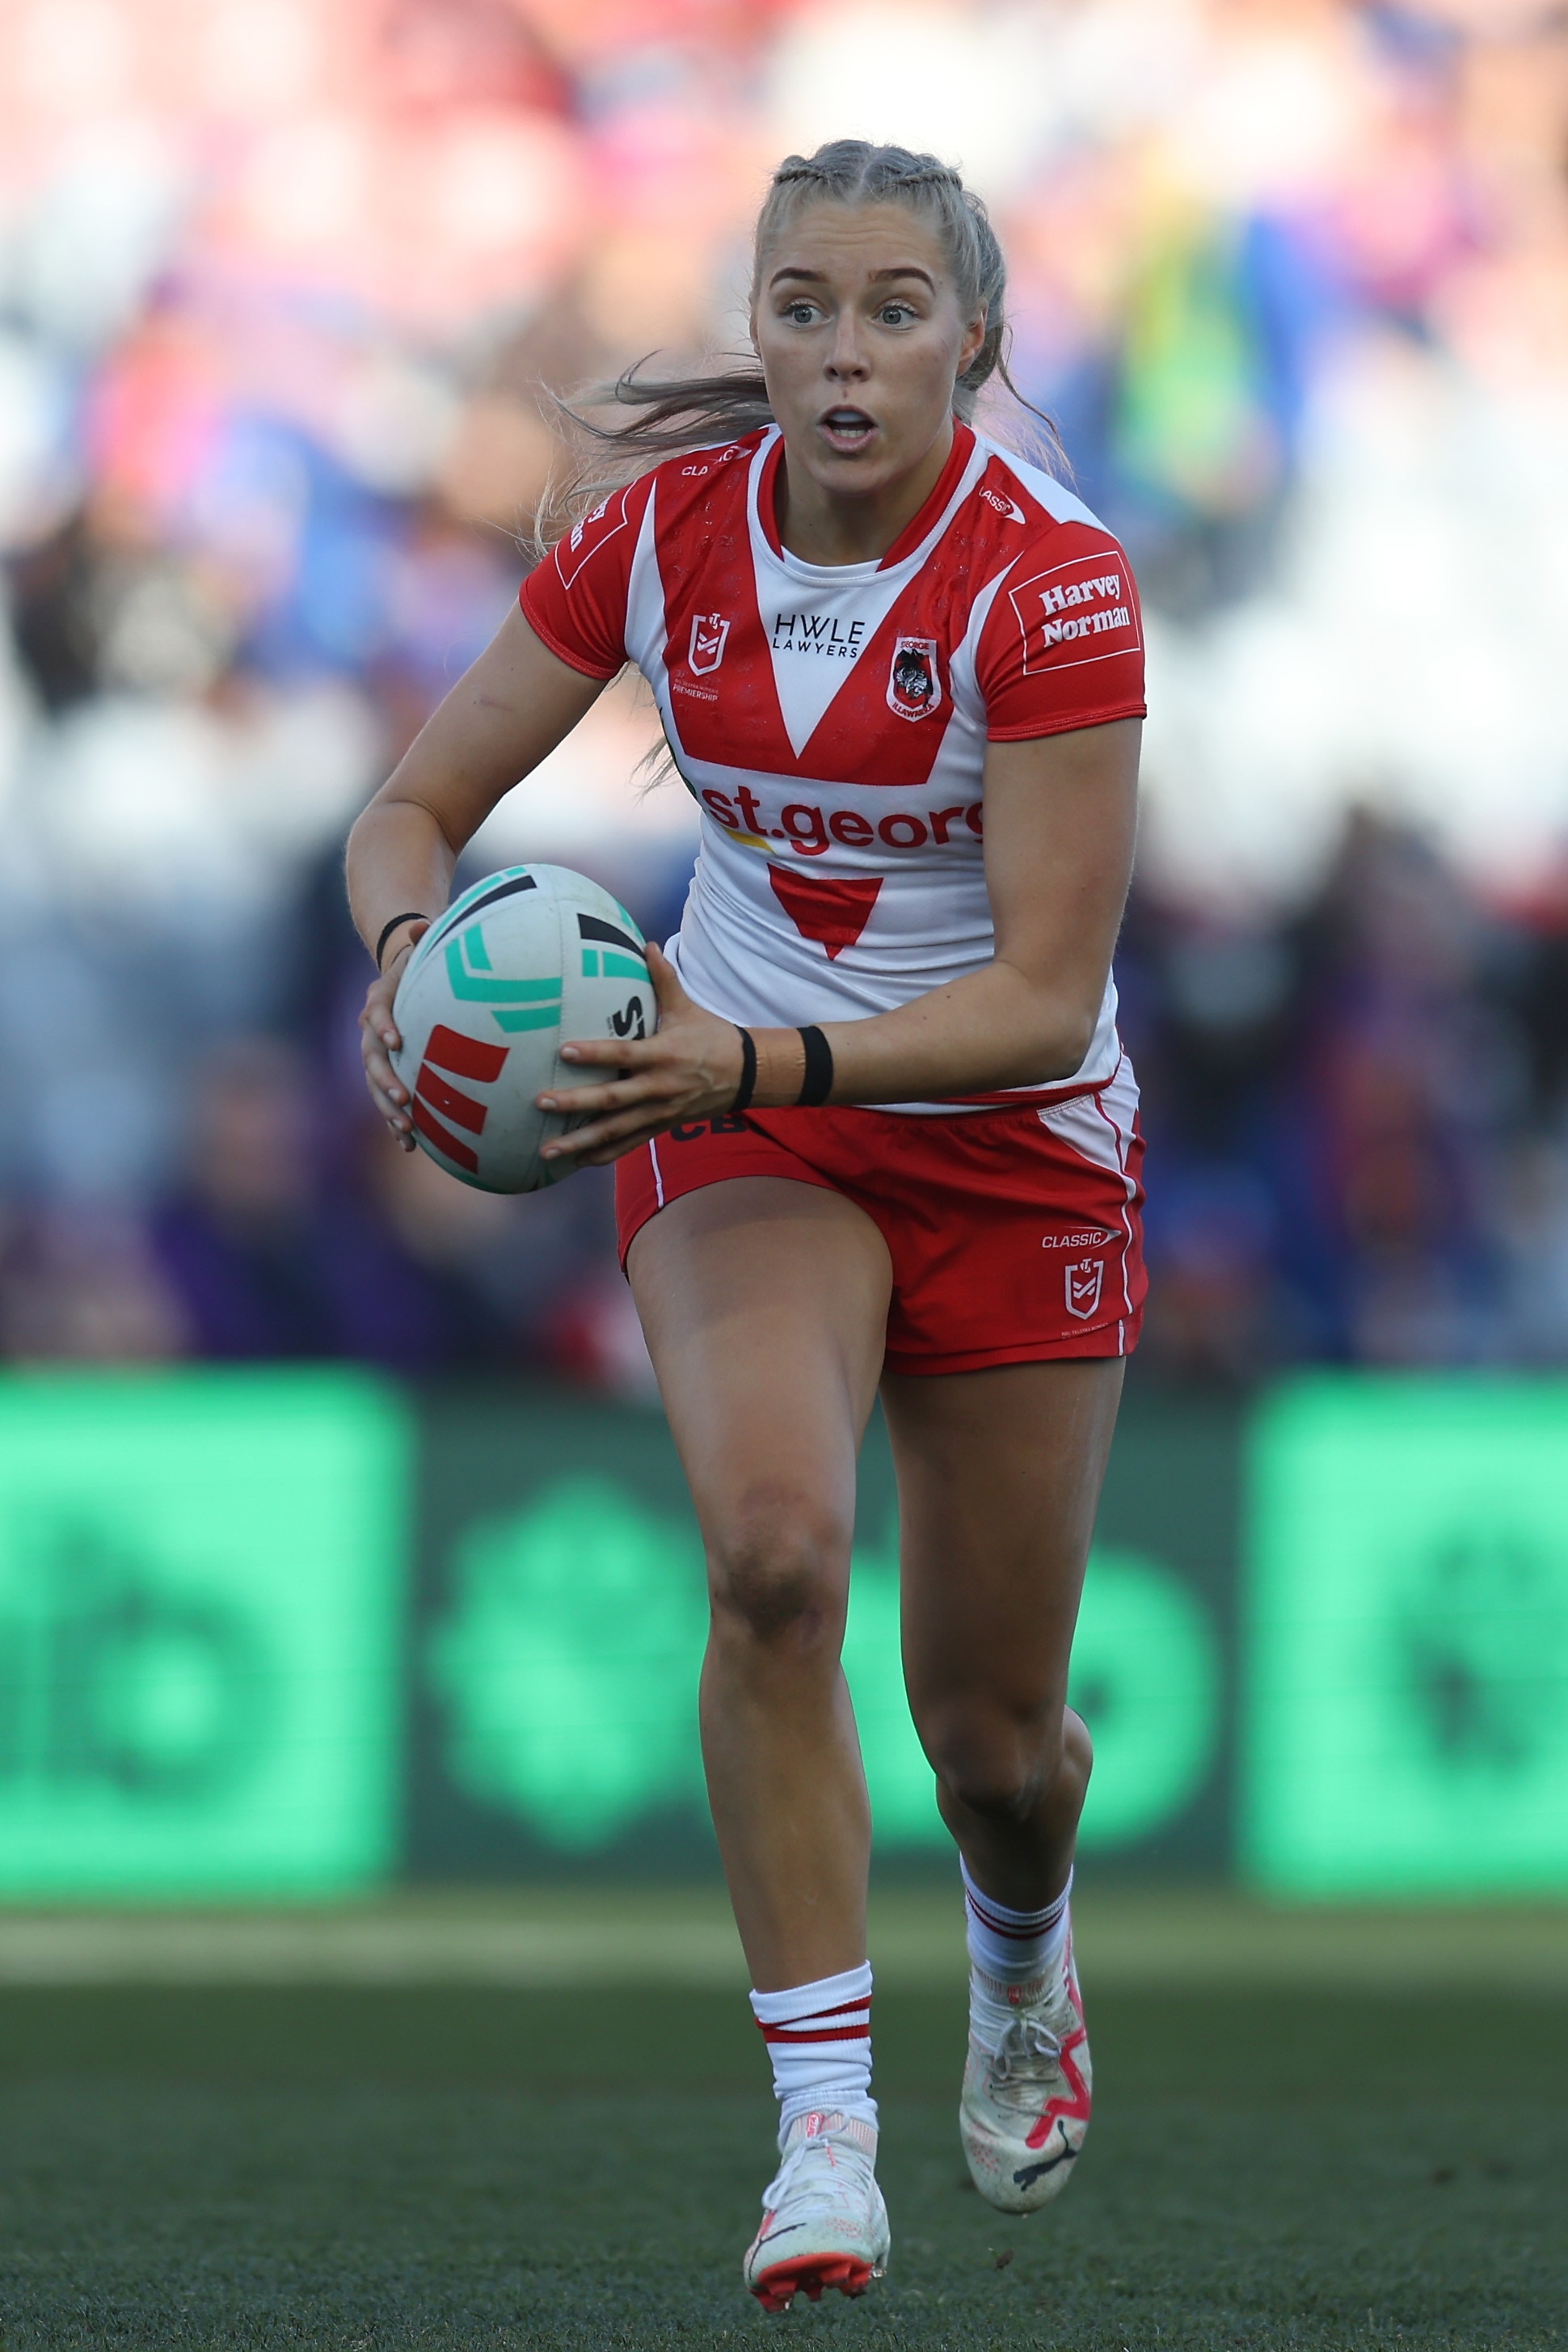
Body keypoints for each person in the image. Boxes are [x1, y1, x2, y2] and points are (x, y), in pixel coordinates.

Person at [348, 140, 1144, 2312]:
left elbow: (1039, 1000)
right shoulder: (657, 538)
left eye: (895, 307)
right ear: (759, 329)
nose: (844, 347)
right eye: (802, 304)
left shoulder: (1051, 584)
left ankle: (1017, 1950)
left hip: (997, 1135)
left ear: (972, 340)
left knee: (994, 1741)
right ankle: (821, 2145)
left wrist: (750, 1064)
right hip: (736, 1123)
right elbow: (408, 809)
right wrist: (411, 968)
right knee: (774, 1565)